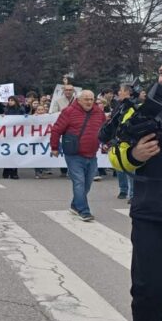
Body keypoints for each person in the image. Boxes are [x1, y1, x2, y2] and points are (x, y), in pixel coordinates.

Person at [105, 55, 162, 321]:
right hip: (152, 211)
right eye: (161, 71)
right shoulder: (141, 108)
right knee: (151, 286)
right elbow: (113, 150)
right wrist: (133, 156)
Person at [49, 89, 106, 222]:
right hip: (74, 154)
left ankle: (75, 206)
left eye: (91, 99)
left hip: (92, 154)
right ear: (79, 100)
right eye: (86, 99)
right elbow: (56, 130)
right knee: (79, 182)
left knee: (87, 184)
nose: (89, 102)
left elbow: (104, 130)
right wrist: (55, 147)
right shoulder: (68, 112)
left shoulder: (99, 112)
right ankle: (84, 211)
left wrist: (106, 142)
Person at [111, 84, 136, 202]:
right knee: (119, 167)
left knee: (130, 169)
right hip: (118, 140)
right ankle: (123, 190)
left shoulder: (133, 105)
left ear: (127, 92)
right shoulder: (119, 105)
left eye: (120, 91)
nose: (118, 93)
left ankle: (132, 194)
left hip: (128, 141)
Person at [2, 95, 25, 180]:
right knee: (7, 153)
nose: (10, 102)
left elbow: (25, 120)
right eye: (9, 100)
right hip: (8, 135)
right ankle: (6, 170)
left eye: (12, 100)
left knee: (15, 153)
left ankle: (14, 172)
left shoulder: (21, 110)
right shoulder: (6, 110)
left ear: (16, 101)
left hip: (17, 135)